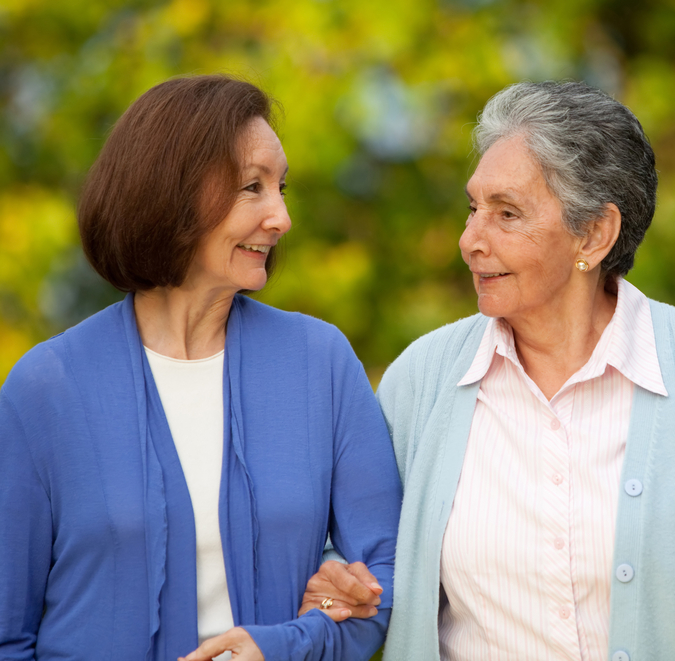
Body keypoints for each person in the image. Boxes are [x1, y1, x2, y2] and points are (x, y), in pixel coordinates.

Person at [303, 81, 675, 660]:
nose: (470, 240)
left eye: (507, 213)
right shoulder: (421, 381)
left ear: (594, 234)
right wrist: (335, 584)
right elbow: (354, 554)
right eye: (473, 209)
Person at [0, 75, 401, 661]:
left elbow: (385, 577)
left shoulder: (321, 363)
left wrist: (291, 642)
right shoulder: (45, 388)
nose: (281, 218)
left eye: (281, 188)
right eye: (252, 187)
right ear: (169, 193)